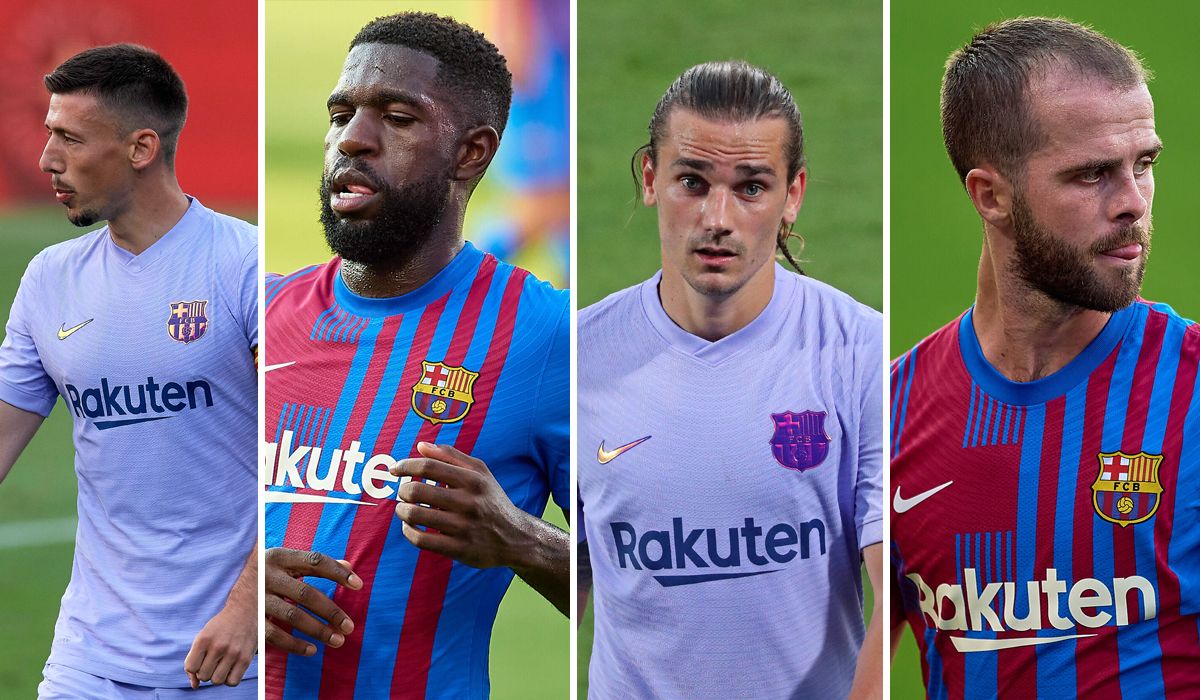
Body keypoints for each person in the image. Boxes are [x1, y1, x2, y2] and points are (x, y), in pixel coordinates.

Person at [261, 12, 568, 699]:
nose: (354, 140)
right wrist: (228, 584)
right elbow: (165, 532)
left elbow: (658, 584)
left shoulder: (545, 339)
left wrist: (527, 541)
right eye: (340, 113)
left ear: (472, 152)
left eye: (397, 117)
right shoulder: (264, 319)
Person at [890, 17, 1200, 698]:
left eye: (1143, 164)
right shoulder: (889, 413)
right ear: (990, 196)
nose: (1133, 205)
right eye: (1092, 175)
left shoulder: (1193, 393)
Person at [577, 60, 884, 699]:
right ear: (650, 179)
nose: (718, 217)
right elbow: (568, 575)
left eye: (750, 188)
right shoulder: (579, 356)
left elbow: (897, 593)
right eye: (693, 181)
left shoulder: (860, 352)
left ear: (793, 194)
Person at [0, 44, 258, 696]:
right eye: (48, 134)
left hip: (232, 659)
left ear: (141, 148)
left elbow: (305, 457)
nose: (46, 159)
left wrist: (246, 609)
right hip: (89, 660)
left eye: (69, 138)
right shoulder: (49, 282)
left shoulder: (246, 268)